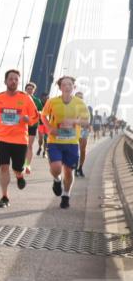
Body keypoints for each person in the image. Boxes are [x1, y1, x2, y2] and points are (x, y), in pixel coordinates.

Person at [0, 70, 37, 208]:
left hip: (20, 140)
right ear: (5, 81)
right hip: (2, 139)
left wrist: (27, 119)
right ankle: (4, 196)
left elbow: (35, 117)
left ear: (19, 82)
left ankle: (19, 176)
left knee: (17, 168)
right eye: (11, 79)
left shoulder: (25, 98)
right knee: (3, 168)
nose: (13, 81)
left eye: (16, 79)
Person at [41, 76, 91, 209]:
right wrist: (50, 128)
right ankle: (57, 180)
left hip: (72, 143)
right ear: (60, 87)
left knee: (69, 172)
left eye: (70, 84)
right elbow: (43, 115)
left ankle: (66, 195)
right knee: (56, 167)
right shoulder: (52, 102)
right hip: (55, 142)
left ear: (74, 87)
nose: (67, 87)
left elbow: (86, 122)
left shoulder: (80, 104)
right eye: (64, 84)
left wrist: (75, 122)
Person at [23, 82, 43, 172]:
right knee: (21, 146)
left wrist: (39, 114)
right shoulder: (21, 99)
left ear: (34, 91)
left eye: (31, 89)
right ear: (25, 89)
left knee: (29, 146)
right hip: (21, 126)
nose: (30, 90)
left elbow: (41, 112)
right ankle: (21, 163)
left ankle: (27, 165)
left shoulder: (37, 101)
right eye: (28, 89)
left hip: (32, 125)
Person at [75, 91, 88, 177]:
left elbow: (88, 119)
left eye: (81, 97)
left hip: (84, 130)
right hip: (75, 130)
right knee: (76, 151)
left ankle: (80, 168)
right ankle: (75, 168)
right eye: (78, 97)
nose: (80, 99)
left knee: (83, 150)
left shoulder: (86, 107)